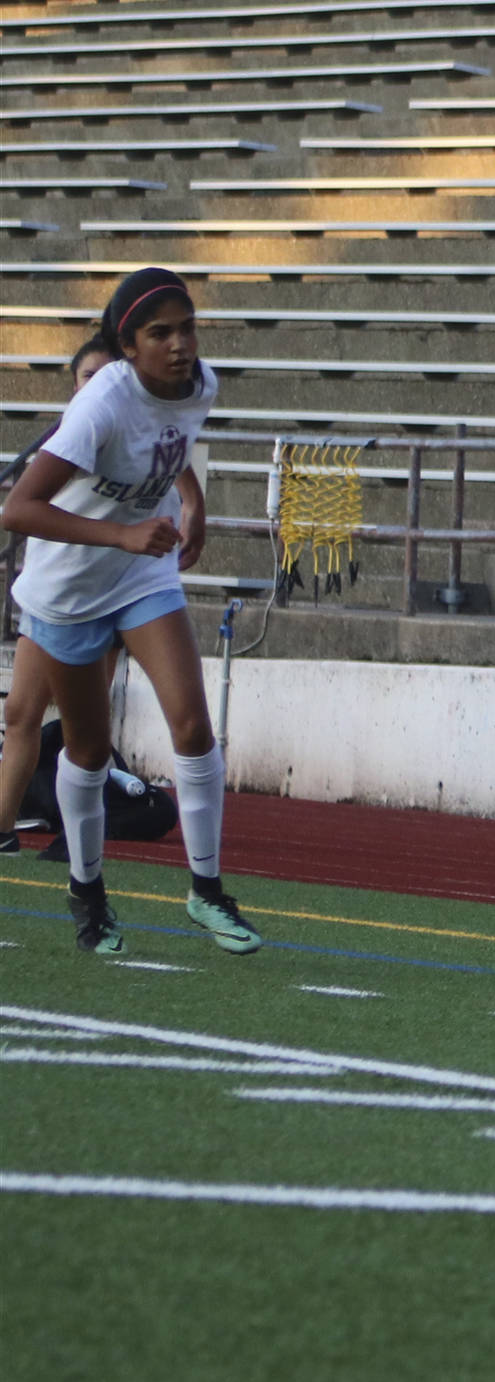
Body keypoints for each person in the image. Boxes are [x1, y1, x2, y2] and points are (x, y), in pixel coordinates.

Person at [0, 267, 263, 958]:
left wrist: (193, 500)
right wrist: (120, 533)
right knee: (87, 748)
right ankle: (89, 897)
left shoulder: (201, 383)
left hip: (142, 571)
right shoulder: (101, 403)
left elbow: (167, 441)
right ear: (127, 345)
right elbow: (18, 509)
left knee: (192, 725)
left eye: (187, 327)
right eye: (160, 333)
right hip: (70, 588)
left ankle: (206, 891)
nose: (180, 344)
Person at [0, 335, 124, 852]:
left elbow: (177, 461)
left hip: (108, 596)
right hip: (51, 596)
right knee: (21, 713)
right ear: (73, 388)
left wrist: (191, 501)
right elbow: (23, 504)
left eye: (106, 376)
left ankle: (78, 838)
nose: (96, 386)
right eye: (86, 378)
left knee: (84, 732)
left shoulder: (129, 436)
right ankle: (3, 826)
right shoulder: (68, 439)